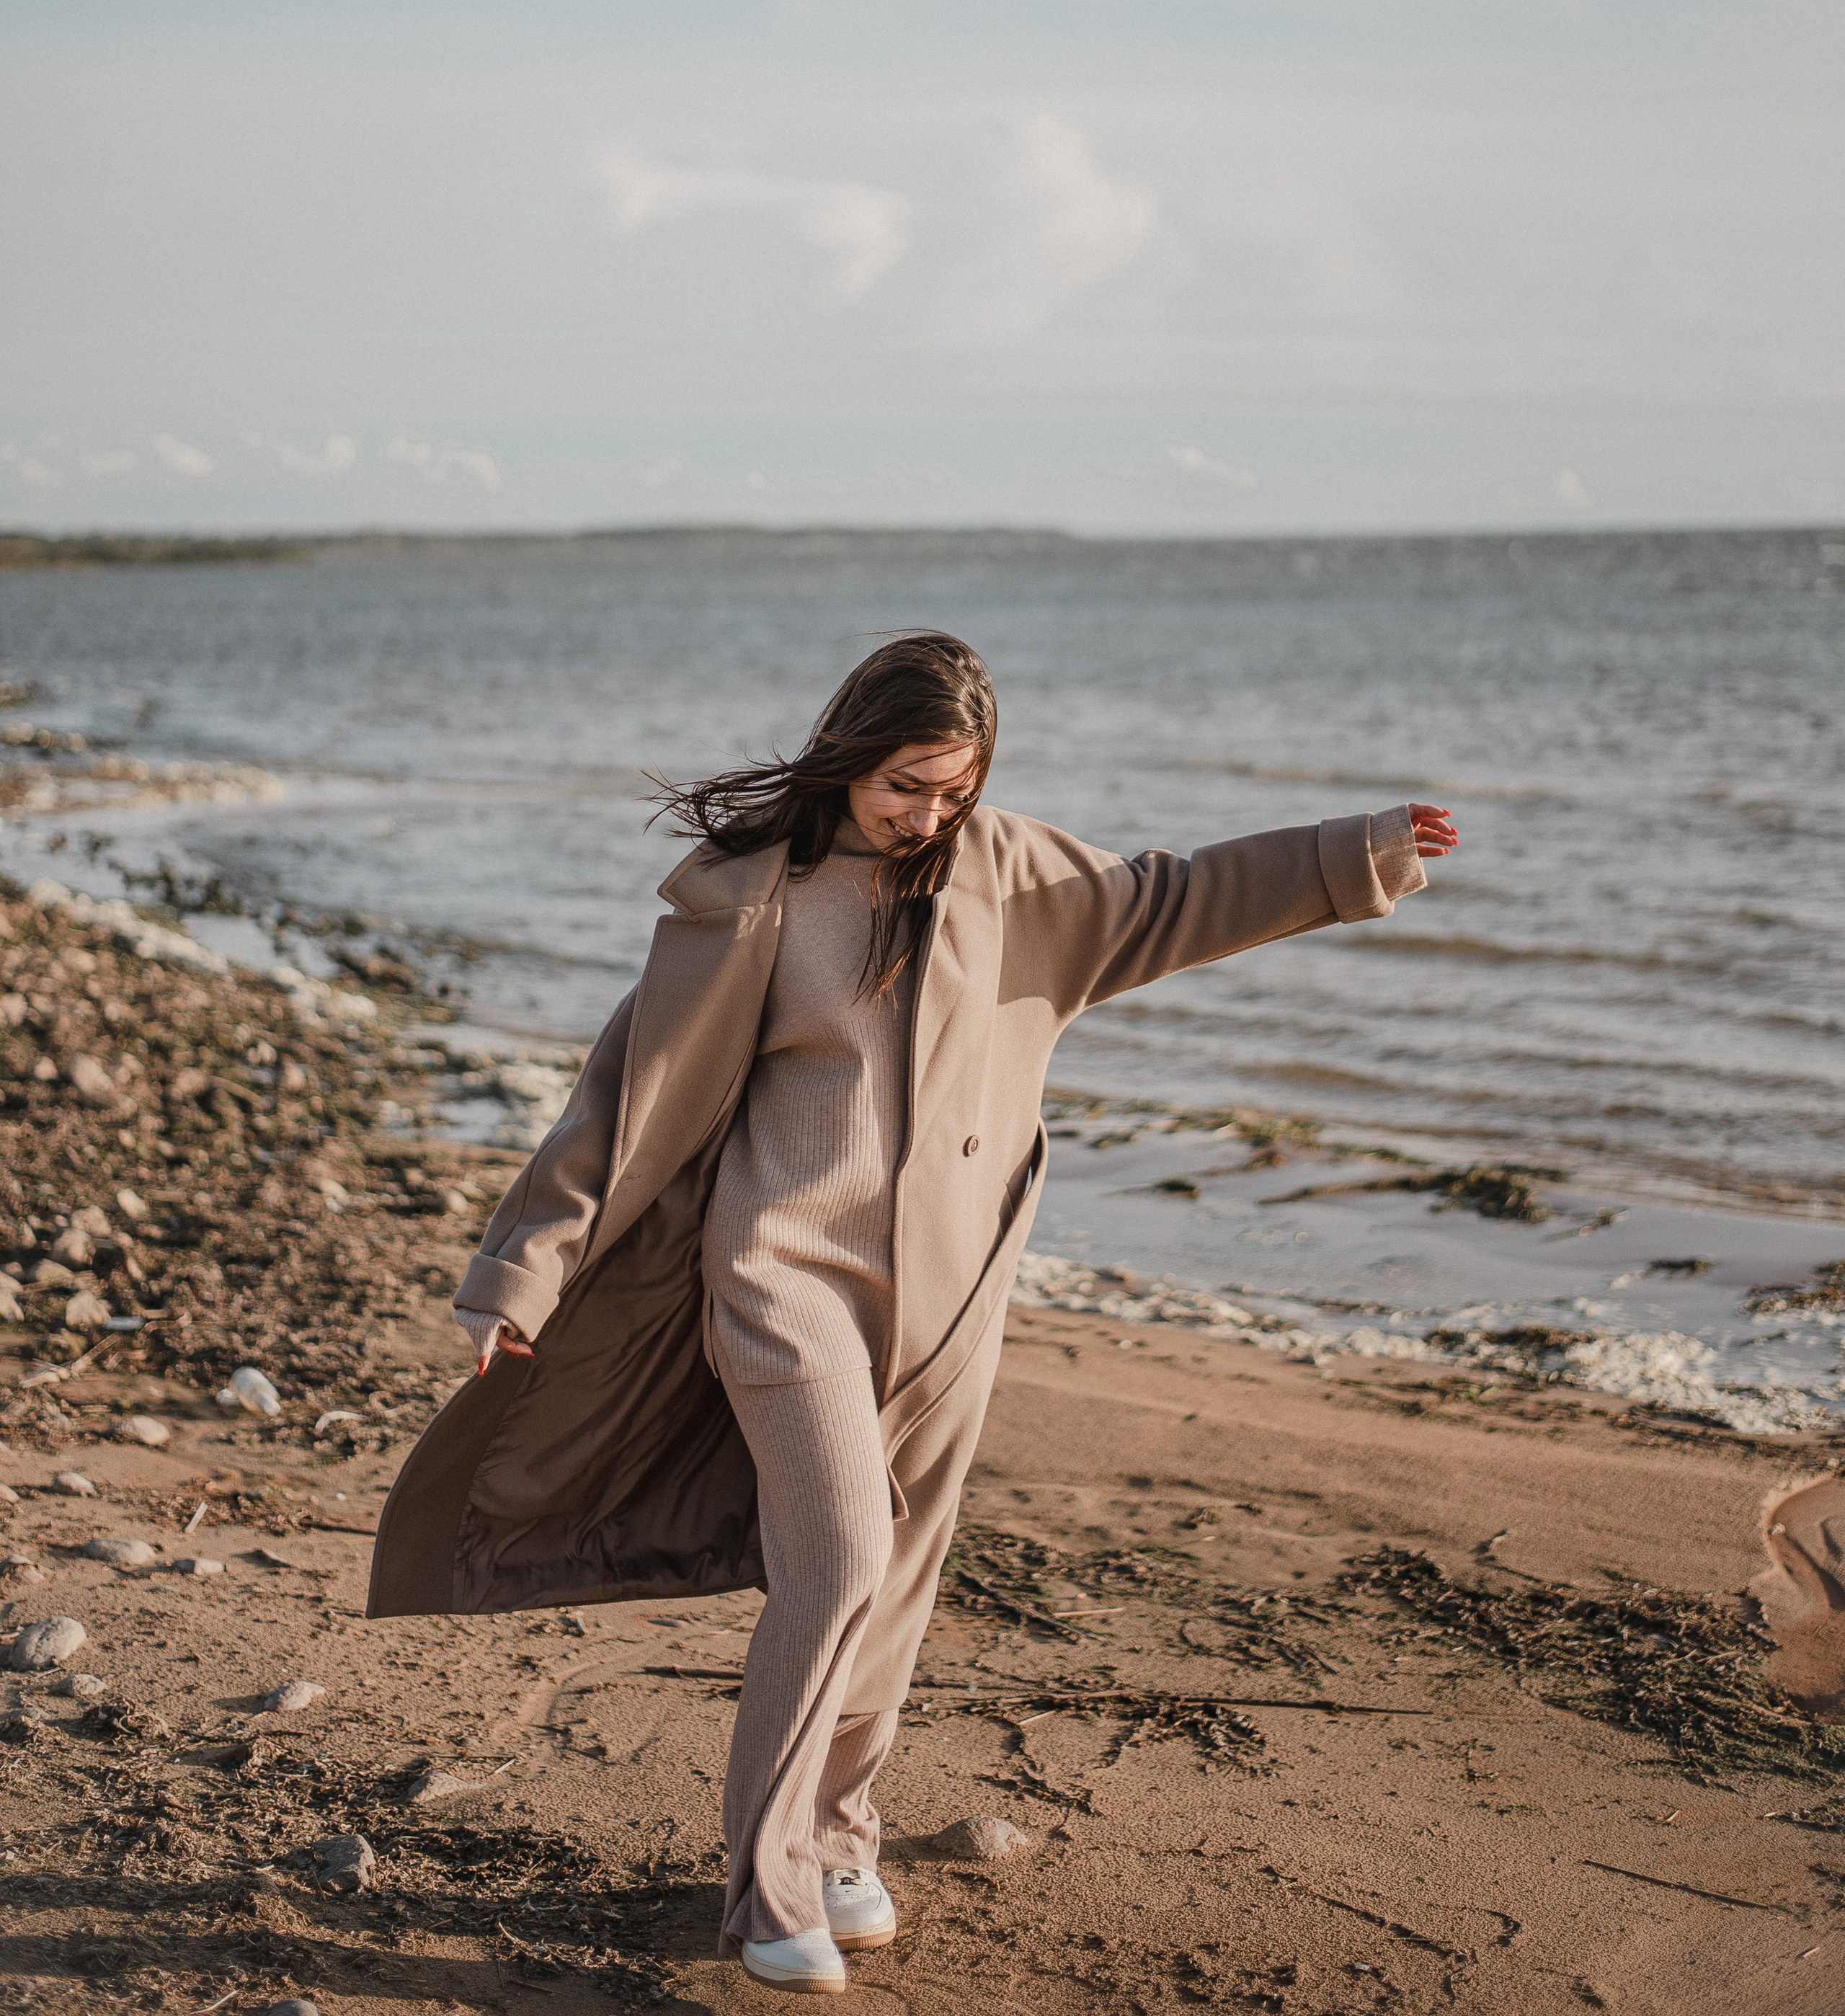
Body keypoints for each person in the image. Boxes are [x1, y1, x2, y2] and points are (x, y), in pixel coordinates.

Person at [369, 631, 1456, 1996]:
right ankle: (765, 1886)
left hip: (953, 1299)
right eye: (904, 786)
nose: (926, 815)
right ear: (849, 754)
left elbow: (1178, 898)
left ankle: (838, 1838)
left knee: (896, 1588)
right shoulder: (756, 895)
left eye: (953, 789)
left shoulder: (1015, 877)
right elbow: (619, 1097)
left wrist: (1354, 852)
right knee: (836, 1554)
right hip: (780, 1274)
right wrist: (518, 1272)